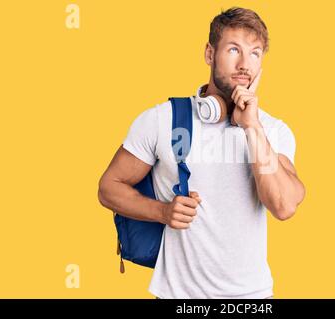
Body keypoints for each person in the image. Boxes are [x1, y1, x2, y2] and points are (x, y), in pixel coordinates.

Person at [98, 7, 306, 299]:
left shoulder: (272, 130)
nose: (245, 64)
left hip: (252, 298)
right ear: (210, 54)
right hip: (177, 297)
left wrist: (252, 127)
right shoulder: (163, 119)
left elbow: (284, 206)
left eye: (255, 53)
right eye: (234, 49)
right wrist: (162, 212)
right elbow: (108, 188)